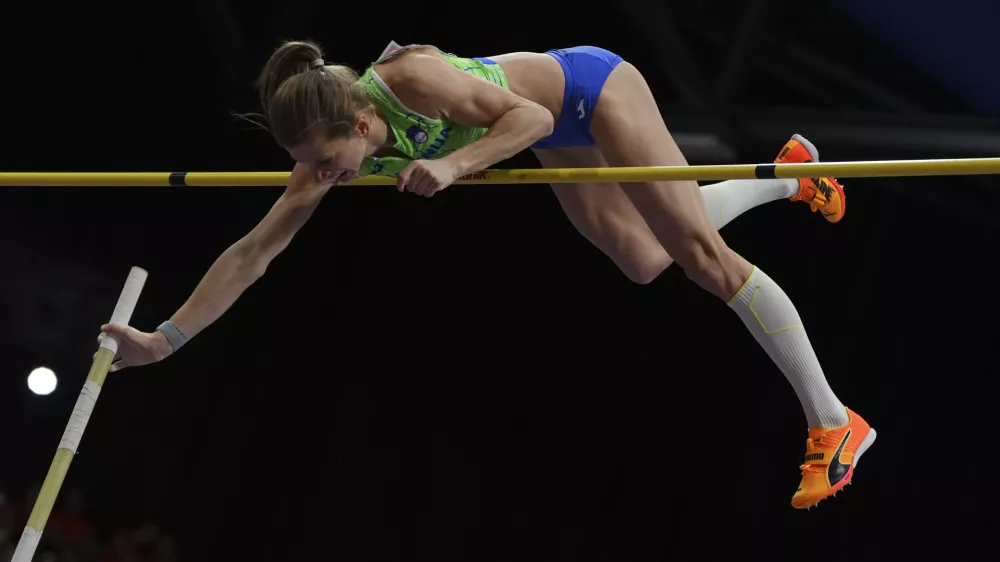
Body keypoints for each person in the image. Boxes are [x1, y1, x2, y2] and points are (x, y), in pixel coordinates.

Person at [98, 40, 875, 509]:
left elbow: (530, 117)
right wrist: (163, 342)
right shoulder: (324, 156)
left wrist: (453, 163)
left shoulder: (412, 81)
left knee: (704, 260)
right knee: (645, 260)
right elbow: (251, 254)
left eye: (325, 161)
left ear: (361, 125)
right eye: (308, 167)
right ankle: (785, 176)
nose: (319, 176)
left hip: (591, 90)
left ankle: (835, 420)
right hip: (546, 127)